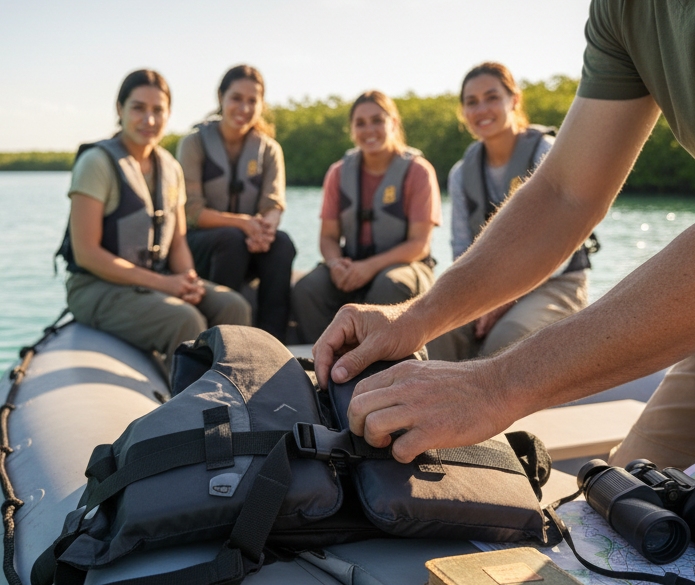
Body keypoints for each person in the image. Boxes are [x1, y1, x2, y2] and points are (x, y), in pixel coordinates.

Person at [313, 0, 695, 472]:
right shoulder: (623, 4)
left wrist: (495, 386)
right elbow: (564, 194)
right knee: (632, 503)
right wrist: (415, 316)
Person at [58, 68, 250, 373]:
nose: (149, 120)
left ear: (168, 114)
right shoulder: (96, 164)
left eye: (158, 110)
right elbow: (87, 253)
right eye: (138, 108)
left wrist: (187, 281)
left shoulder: (171, 168)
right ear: (119, 110)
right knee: (184, 319)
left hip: (156, 281)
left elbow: (177, 243)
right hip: (96, 287)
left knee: (233, 305)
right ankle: (189, 413)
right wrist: (165, 285)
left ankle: (233, 398)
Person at [427, 62, 591, 361]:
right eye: (471, 102)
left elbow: (563, 248)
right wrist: (469, 301)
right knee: (437, 334)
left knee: (505, 338)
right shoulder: (461, 174)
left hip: (556, 284)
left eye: (492, 97)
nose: (481, 109)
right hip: (488, 290)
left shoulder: (547, 153)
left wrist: (504, 300)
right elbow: (462, 252)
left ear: (514, 100)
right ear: (463, 112)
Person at [291, 90, 441, 344]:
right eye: (360, 123)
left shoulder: (418, 172)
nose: (369, 129)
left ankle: (380, 363)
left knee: (389, 284)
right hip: (353, 263)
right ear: (351, 130)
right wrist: (337, 265)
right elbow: (328, 237)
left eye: (377, 120)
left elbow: (419, 244)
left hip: (406, 266)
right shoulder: (338, 173)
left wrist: (369, 267)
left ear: (393, 123)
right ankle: (325, 360)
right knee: (308, 288)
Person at [176, 65, 296, 342]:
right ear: (221, 97)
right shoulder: (193, 144)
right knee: (231, 238)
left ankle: (271, 340)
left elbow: (273, 204)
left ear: (261, 104)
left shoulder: (269, 150)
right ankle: (220, 336)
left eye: (252, 101)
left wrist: (265, 231)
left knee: (282, 244)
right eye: (236, 98)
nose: (244, 108)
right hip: (203, 246)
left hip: (249, 242)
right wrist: (243, 224)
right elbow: (191, 212)